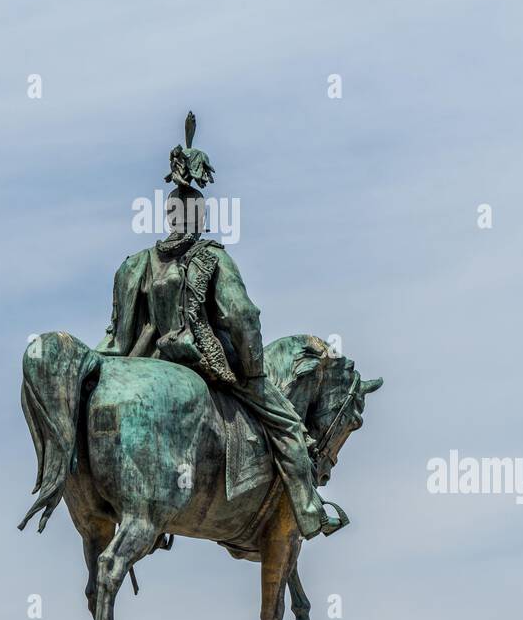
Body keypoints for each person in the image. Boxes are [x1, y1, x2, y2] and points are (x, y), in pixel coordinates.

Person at [96, 115, 342, 539]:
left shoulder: (134, 266)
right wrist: (253, 371)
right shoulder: (212, 259)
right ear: (200, 216)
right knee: (287, 424)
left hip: (151, 360)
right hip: (207, 362)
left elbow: (115, 340)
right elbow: (243, 316)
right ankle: (309, 507)